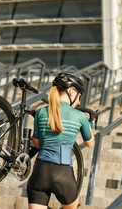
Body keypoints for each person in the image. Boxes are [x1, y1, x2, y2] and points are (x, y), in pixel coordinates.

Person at [27, 73, 94, 209]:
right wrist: (89, 126)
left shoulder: (40, 112)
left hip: (40, 171)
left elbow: (37, 143)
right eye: (79, 97)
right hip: (63, 174)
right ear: (71, 91)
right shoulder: (80, 116)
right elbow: (89, 142)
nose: (79, 102)